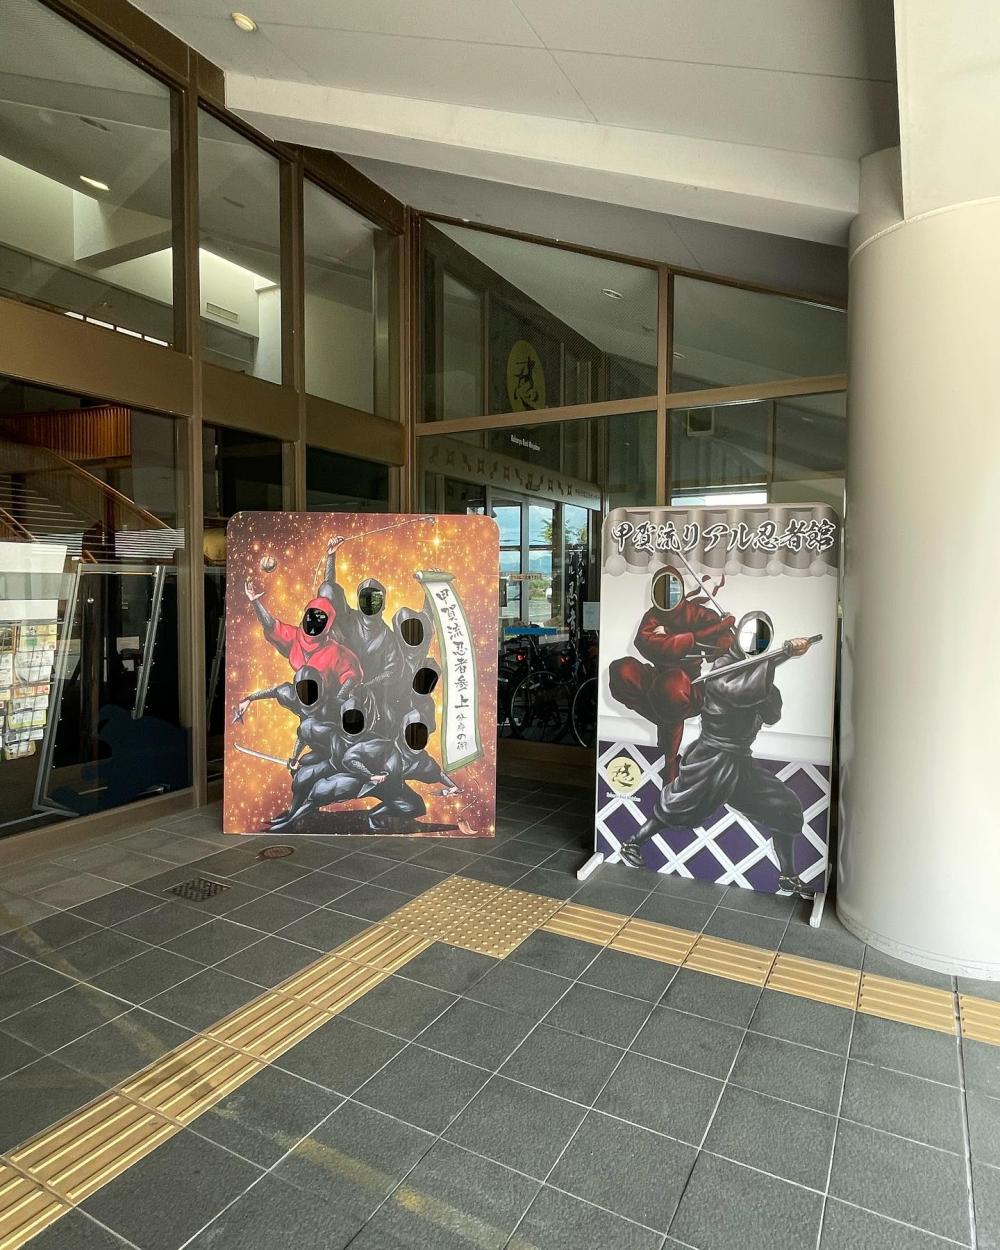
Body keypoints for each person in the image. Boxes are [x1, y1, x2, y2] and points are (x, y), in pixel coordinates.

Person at [619, 613, 816, 895]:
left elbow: (770, 709)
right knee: (677, 805)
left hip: (740, 761)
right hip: (712, 757)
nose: (754, 644)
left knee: (785, 806)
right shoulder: (723, 669)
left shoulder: (757, 672)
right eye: (750, 637)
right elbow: (742, 692)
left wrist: (778, 659)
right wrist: (778, 657)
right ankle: (633, 843)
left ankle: (788, 875)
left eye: (761, 639)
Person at [608, 568, 736, 784]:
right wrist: (705, 633)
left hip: (689, 687)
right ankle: (665, 719)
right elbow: (651, 645)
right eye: (661, 589)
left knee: (672, 687)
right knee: (622, 670)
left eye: (673, 589)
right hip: (656, 681)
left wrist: (721, 635)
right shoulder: (652, 616)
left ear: (682, 590)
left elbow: (725, 640)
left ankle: (670, 761)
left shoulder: (697, 612)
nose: (667, 596)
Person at [322, 536, 406, 731]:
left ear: (383, 604)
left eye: (375, 599)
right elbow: (329, 593)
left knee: (388, 721)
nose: (370, 603)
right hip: (338, 687)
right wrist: (331, 557)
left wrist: (368, 685)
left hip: (371, 695)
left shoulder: (388, 637)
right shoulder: (348, 620)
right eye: (365, 598)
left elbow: (394, 670)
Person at [244, 576, 360, 693]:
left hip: (326, 700)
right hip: (304, 695)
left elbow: (352, 675)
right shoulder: (295, 637)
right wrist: (255, 602)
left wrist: (339, 698)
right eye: (311, 617)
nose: (313, 623)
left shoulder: (335, 652)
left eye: (320, 619)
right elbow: (271, 626)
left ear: (327, 625)